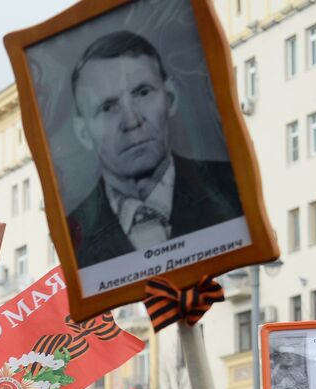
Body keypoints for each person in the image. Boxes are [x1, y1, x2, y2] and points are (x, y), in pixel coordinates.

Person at [65, 30, 244, 267]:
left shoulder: (230, 189)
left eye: (142, 93)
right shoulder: (72, 235)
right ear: (84, 133)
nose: (131, 121)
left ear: (170, 97)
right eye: (108, 107)